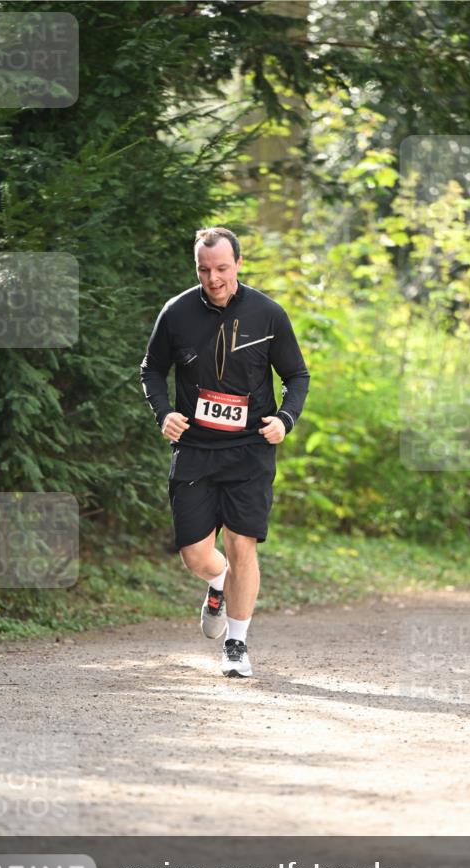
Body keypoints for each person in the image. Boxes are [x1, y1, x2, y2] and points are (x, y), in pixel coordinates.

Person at [139, 227, 310, 678]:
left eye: (221, 268)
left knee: (241, 545)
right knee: (196, 554)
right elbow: (152, 370)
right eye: (204, 269)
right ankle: (217, 585)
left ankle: (237, 644)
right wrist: (163, 413)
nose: (213, 278)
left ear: (237, 264)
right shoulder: (176, 313)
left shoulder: (268, 314)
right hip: (195, 448)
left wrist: (284, 419)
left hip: (249, 449)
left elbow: (297, 376)